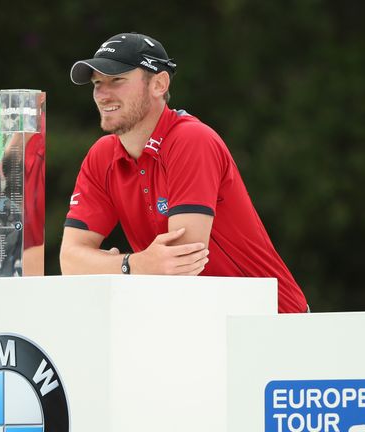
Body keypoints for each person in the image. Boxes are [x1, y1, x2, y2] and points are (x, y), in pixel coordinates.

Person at [60, 32, 307, 313]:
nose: (103, 94)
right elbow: (70, 261)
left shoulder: (191, 139)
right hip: (195, 321)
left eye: (117, 80)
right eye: (97, 84)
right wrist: (134, 265)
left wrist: (112, 267)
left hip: (273, 321)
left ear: (159, 83)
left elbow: (182, 261)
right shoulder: (101, 156)